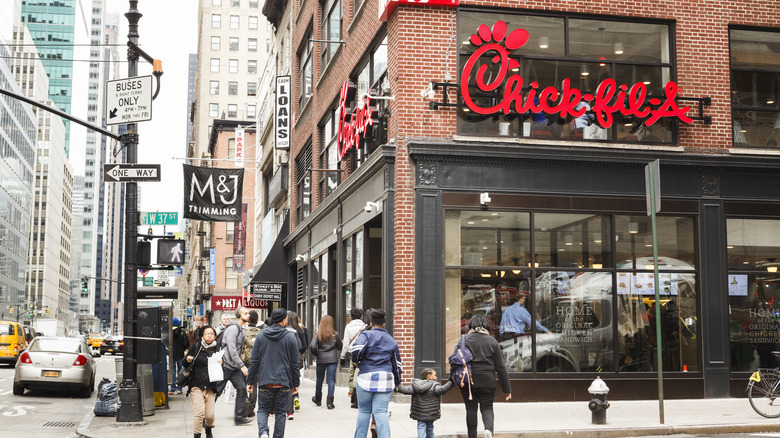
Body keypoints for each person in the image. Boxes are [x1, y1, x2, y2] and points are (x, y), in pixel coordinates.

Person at [247, 308, 301, 438]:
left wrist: (250, 381)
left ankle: (264, 432)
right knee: (281, 413)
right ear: (284, 320)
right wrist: (295, 383)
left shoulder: (261, 335)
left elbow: (254, 360)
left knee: (263, 410)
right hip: (283, 381)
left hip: (265, 380)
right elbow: (295, 363)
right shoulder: (290, 337)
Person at [457, 315, 511, 438]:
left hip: (468, 380)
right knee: (487, 407)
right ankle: (488, 430)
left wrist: (452, 381)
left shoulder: (463, 340)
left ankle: (472, 436)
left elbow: (455, 362)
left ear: (470, 326)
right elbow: (501, 367)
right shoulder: (492, 341)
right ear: (486, 326)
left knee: (471, 409)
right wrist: (506, 389)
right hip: (488, 380)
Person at [351, 309, 402, 438]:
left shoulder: (366, 335)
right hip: (385, 378)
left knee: (364, 411)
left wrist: (357, 362)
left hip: (366, 377)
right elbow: (397, 365)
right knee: (381, 413)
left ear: (371, 323)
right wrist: (397, 381)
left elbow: (355, 351)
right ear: (384, 324)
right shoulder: (391, 340)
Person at [184, 325, 222, 438]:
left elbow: (221, 368)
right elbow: (184, 364)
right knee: (199, 413)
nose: (209, 336)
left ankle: (208, 430)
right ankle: (197, 435)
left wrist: (221, 364)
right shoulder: (196, 347)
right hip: (196, 384)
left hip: (211, 386)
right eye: (206, 333)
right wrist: (187, 359)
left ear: (215, 336)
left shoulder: (218, 348)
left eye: (212, 333)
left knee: (209, 416)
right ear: (202, 336)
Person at [396, 368, 453, 438]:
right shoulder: (435, 386)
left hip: (420, 413)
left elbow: (406, 389)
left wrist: (396, 388)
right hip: (431, 413)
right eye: (435, 375)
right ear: (429, 376)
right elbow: (443, 389)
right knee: (430, 428)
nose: (436, 377)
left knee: (421, 427)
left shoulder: (416, 385)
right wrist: (451, 382)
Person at [220, 306, 252, 425]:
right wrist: (242, 365)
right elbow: (232, 350)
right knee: (215, 392)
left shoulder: (241, 329)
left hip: (234, 367)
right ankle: (205, 418)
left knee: (242, 389)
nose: (248, 315)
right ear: (238, 316)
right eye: (245, 313)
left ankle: (239, 418)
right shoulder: (233, 329)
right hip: (227, 366)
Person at [310, 315, 343, 409]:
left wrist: (317, 354)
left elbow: (312, 345)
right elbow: (340, 347)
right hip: (332, 359)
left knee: (319, 379)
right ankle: (330, 403)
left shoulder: (318, 334)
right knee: (331, 379)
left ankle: (318, 399)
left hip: (321, 358)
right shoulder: (335, 334)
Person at [341, 308, 365, 409]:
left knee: (352, 373)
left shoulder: (348, 326)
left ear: (351, 316)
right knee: (360, 374)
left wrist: (342, 356)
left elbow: (346, 343)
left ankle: (352, 394)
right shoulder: (364, 326)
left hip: (352, 352)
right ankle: (358, 396)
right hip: (363, 353)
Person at [242, 310, 263, 418]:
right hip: (257, 362)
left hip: (245, 362)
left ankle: (243, 407)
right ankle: (251, 409)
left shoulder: (243, 331)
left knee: (243, 385)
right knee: (254, 385)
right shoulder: (261, 332)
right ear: (257, 320)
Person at [285, 311, 306, 419]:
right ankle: (295, 397)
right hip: (296, 359)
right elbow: (303, 345)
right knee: (294, 380)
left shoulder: (284, 330)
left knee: (286, 383)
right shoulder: (299, 330)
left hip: (284, 360)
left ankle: (278, 408)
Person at [170, 317, 187, 395]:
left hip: (172, 354)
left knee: (173, 371)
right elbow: (185, 344)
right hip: (180, 355)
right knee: (180, 371)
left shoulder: (169, 332)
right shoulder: (182, 333)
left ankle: (172, 388)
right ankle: (179, 388)